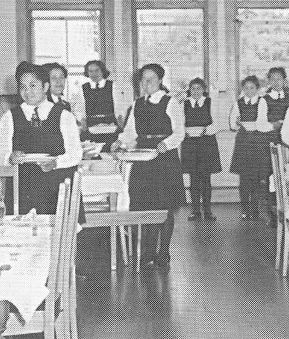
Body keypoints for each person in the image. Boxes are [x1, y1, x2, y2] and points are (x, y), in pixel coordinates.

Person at [117, 63, 186, 268]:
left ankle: (163, 252)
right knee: (144, 205)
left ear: (159, 81)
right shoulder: (137, 104)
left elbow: (179, 132)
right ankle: (147, 252)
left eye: (151, 79)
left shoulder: (170, 102)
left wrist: (166, 143)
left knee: (164, 207)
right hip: (142, 160)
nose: (146, 83)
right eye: (143, 80)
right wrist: (120, 143)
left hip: (164, 158)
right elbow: (131, 133)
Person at [0, 62, 82, 215]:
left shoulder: (64, 116)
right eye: (23, 87)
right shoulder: (10, 117)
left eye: (33, 86)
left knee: (59, 236)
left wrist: (56, 163)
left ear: (45, 87)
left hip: (57, 187)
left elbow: (75, 154)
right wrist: (10, 158)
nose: (28, 92)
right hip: (23, 188)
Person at [229, 76, 272, 219]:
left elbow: (262, 123)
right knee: (244, 178)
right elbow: (233, 125)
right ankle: (245, 209)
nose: (248, 91)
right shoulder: (238, 103)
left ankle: (254, 210)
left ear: (257, 89)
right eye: (245, 88)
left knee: (256, 177)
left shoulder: (262, 102)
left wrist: (252, 125)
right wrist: (237, 123)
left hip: (257, 141)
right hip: (243, 141)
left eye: (252, 88)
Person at [181, 77, 222, 221]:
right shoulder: (184, 104)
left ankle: (208, 211)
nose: (196, 91)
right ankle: (195, 211)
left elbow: (217, 123)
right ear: (189, 90)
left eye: (199, 88)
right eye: (193, 89)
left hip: (206, 144)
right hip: (190, 145)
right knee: (193, 179)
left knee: (206, 179)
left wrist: (206, 130)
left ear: (204, 90)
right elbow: (179, 123)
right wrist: (184, 131)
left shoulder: (211, 103)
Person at [262, 67, 289, 225]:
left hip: (288, 143)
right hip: (271, 142)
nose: (276, 82)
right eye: (273, 79)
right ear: (269, 81)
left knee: (287, 175)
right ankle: (272, 212)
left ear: (284, 80)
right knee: (271, 176)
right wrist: (275, 125)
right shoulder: (264, 99)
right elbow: (261, 124)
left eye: (279, 79)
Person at [80, 59, 126, 150]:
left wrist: (120, 124)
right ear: (87, 72)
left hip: (111, 127)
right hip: (91, 128)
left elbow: (119, 107)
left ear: (102, 71)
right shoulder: (83, 88)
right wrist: (82, 122)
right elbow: (81, 109)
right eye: (90, 71)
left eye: (97, 70)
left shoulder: (113, 86)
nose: (94, 74)